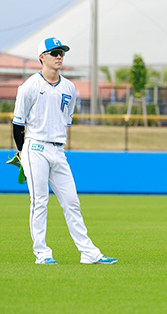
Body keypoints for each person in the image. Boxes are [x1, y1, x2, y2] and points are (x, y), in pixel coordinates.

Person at [12, 37, 117, 265]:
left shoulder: (69, 87)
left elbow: (65, 120)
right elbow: (18, 123)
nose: (59, 56)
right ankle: (42, 254)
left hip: (58, 150)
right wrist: (21, 151)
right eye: (54, 52)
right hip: (35, 147)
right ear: (42, 57)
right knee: (39, 202)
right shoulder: (29, 86)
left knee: (72, 202)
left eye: (61, 52)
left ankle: (88, 253)